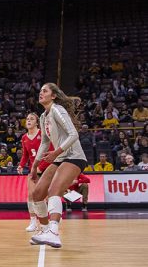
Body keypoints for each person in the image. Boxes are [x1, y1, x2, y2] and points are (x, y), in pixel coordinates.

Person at [30, 83, 89, 249]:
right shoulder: (43, 117)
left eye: (45, 91)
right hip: (60, 157)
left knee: (54, 190)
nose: (41, 93)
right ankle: (44, 230)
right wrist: (35, 167)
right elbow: (44, 143)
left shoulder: (57, 110)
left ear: (53, 95)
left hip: (74, 156)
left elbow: (74, 134)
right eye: (40, 91)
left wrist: (56, 153)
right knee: (37, 193)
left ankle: (54, 232)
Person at [19, 112, 54, 232]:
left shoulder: (43, 134)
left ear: (36, 122)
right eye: (27, 119)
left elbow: (51, 152)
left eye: (31, 119)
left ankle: (48, 222)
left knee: (45, 197)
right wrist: (21, 165)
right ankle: (33, 222)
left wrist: (40, 167)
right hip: (33, 170)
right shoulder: (24, 137)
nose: (28, 120)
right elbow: (25, 155)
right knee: (30, 195)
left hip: (46, 168)